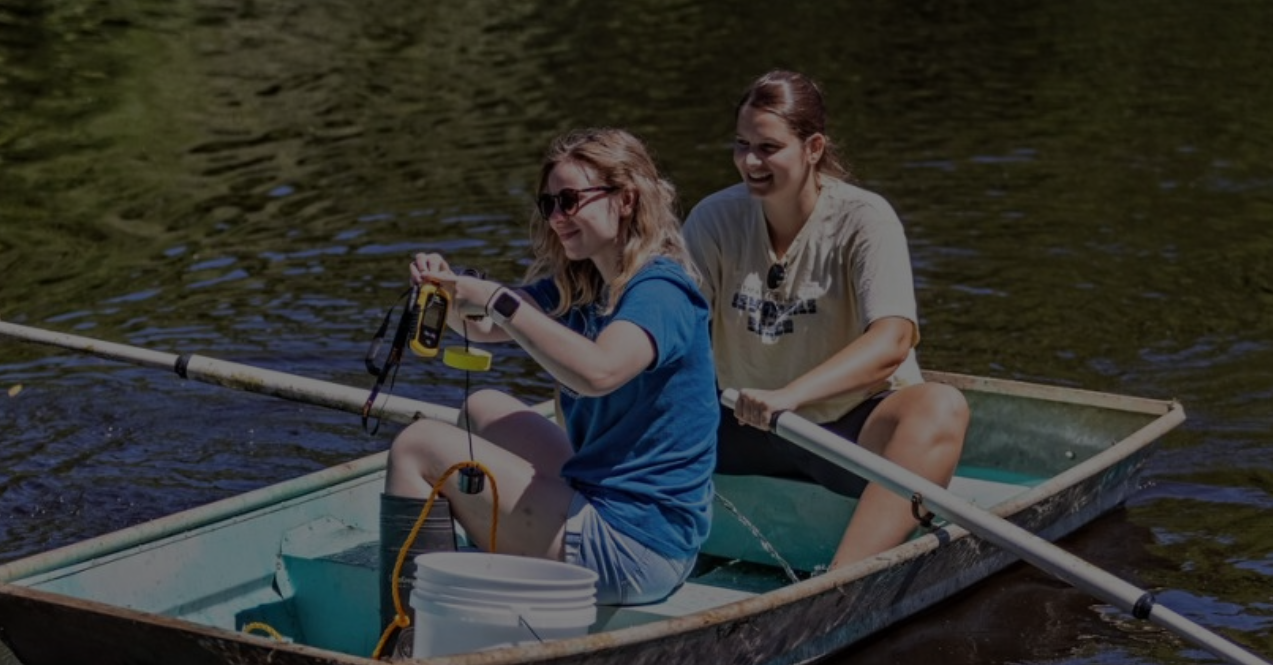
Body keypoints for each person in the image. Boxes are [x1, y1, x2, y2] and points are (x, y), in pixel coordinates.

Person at [382, 128, 718, 620]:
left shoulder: (661, 291)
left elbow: (599, 372)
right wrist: (448, 292)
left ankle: (403, 638)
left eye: (570, 200)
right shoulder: (584, 284)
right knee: (483, 408)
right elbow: (481, 328)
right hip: (618, 512)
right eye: (549, 204)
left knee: (417, 447)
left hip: (638, 547)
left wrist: (497, 300)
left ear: (625, 200)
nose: (558, 217)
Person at [684, 70, 970, 568]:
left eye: (768, 148)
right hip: (741, 424)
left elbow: (893, 341)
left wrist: (791, 396)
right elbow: (668, 322)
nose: (750, 162)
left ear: (813, 147)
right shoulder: (713, 219)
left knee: (941, 407)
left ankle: (839, 587)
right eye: (741, 144)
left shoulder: (865, 220)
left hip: (845, 433)